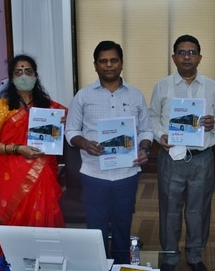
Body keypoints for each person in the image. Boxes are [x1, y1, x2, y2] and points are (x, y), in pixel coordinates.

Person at [64, 40, 153, 264]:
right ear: (95, 65)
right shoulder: (83, 96)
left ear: (121, 63)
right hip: (94, 175)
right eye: (103, 61)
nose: (109, 65)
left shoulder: (135, 95)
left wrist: (144, 148)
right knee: (96, 228)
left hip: (127, 173)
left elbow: (146, 130)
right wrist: (84, 143)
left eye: (114, 60)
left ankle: (122, 265)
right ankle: (98, 266)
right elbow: (71, 130)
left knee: (123, 225)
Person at [0, 54, 68, 270]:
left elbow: (71, 122)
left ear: (36, 75)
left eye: (28, 71)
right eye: (18, 72)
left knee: (46, 220)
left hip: (43, 174)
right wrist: (18, 149)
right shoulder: (0, 107)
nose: (24, 76)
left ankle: (49, 263)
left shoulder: (50, 106)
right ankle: (14, 263)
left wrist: (65, 121)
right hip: (13, 175)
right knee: (15, 222)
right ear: (11, 77)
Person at [148, 34, 215, 271]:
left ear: (200, 57)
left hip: (202, 158)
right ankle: (170, 256)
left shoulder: (212, 87)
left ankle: (195, 255)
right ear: (174, 57)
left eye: (191, 52)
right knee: (170, 210)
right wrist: (160, 134)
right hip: (171, 157)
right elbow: (152, 116)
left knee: (199, 209)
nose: (186, 57)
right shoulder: (162, 86)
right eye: (181, 52)